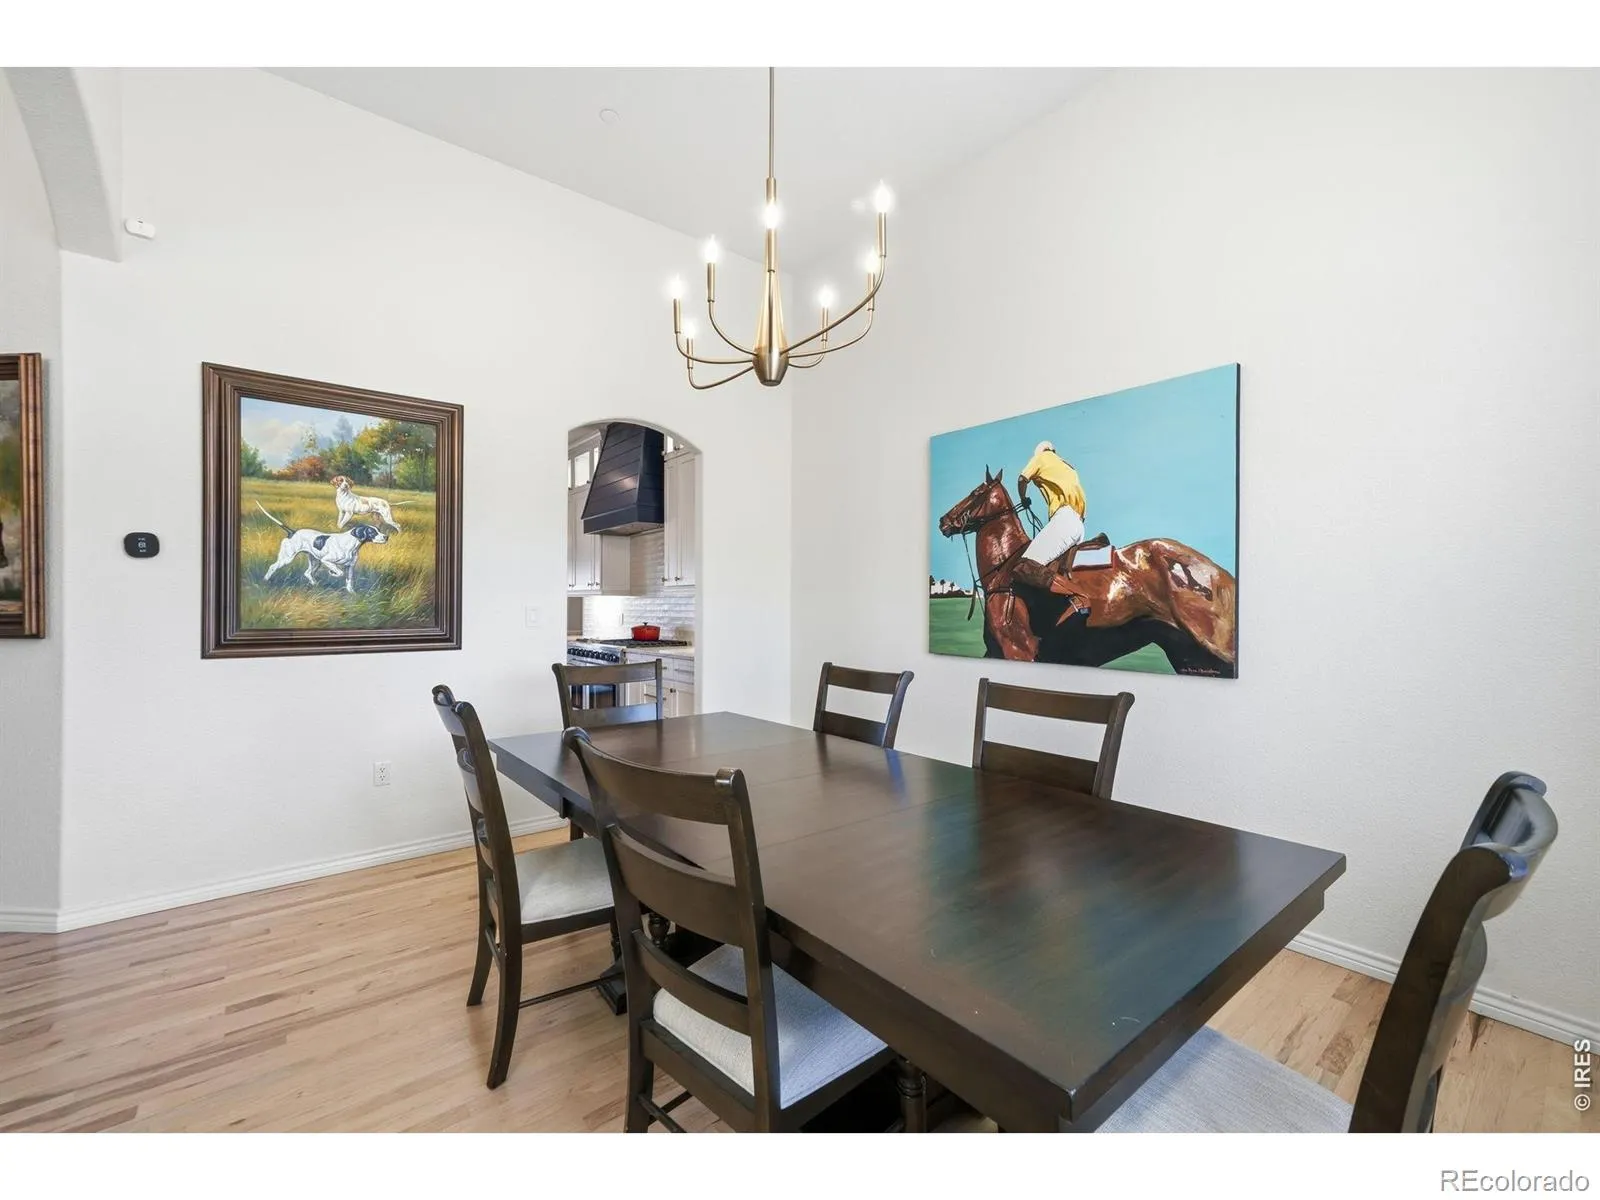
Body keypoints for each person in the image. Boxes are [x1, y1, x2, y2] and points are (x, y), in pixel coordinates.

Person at [1013, 440, 1109, 592]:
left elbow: (1022, 479)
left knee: (1024, 566)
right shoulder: (1069, 467)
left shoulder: (1041, 457)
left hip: (1064, 520)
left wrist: (1023, 499)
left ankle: (1076, 596)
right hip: (1078, 526)